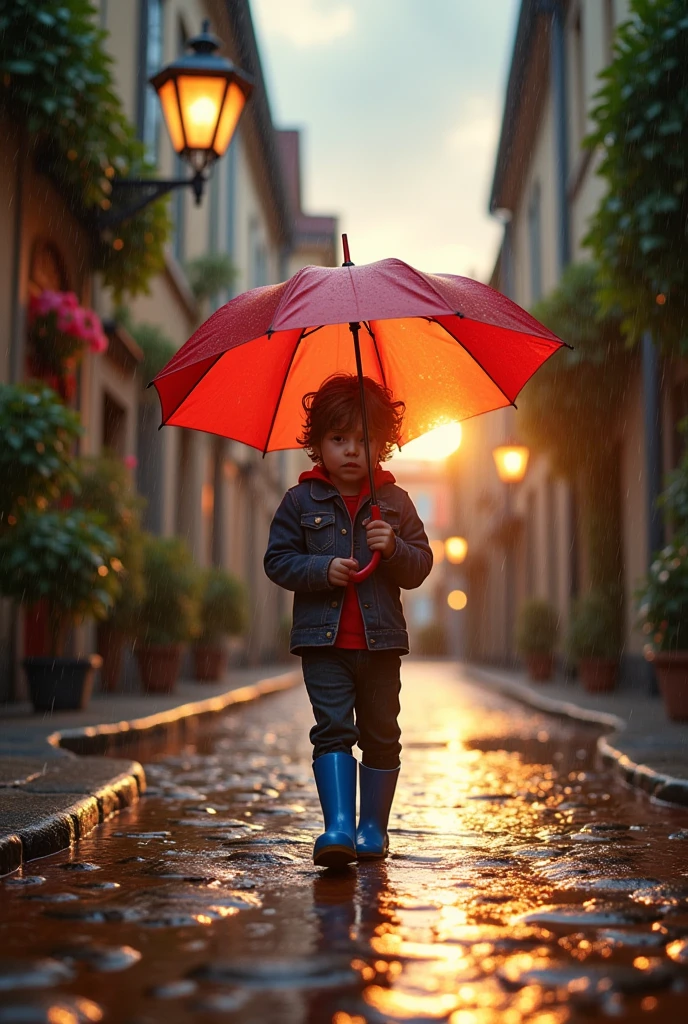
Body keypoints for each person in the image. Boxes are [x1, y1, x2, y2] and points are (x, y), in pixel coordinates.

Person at [264, 373, 433, 867]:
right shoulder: (300, 502)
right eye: (339, 439)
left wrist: (394, 547)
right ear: (317, 444)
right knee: (333, 729)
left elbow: (420, 565)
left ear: (382, 444)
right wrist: (321, 569)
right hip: (325, 646)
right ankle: (337, 827)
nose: (352, 450)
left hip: (381, 648)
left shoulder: (395, 503)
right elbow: (277, 561)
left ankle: (372, 829)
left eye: (364, 439)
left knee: (383, 732)